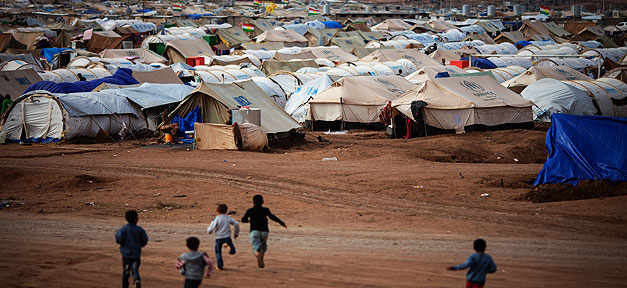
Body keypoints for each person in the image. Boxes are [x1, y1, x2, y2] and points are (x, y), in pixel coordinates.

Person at [241, 195, 286, 268]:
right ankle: (261, 256)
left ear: (253, 202)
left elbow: (243, 220)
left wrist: (247, 220)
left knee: (255, 245)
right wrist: (281, 223)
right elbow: (272, 217)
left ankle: (257, 253)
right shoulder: (266, 210)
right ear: (263, 202)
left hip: (254, 231)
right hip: (265, 232)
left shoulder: (250, 210)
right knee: (263, 246)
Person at [115, 210, 149, 288]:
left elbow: (118, 239)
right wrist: (140, 245)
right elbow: (144, 240)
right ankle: (136, 280)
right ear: (136, 219)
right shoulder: (140, 229)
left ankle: (125, 285)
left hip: (126, 255)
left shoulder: (123, 229)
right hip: (136, 254)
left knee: (126, 271)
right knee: (135, 269)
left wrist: (122, 244)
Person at [207, 204, 239, 270]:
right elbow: (236, 224)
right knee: (233, 251)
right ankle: (229, 248)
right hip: (227, 237)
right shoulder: (228, 218)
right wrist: (236, 233)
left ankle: (220, 266)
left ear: (217, 210)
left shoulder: (216, 218)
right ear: (226, 211)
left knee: (218, 252)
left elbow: (211, 227)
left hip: (218, 237)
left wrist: (209, 232)